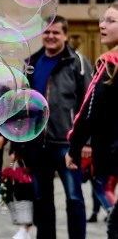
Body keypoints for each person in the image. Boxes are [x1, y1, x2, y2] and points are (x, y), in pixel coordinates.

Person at [15, 16, 92, 239]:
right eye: (47, 32)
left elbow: (88, 104)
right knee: (41, 199)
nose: (51, 36)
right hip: (37, 143)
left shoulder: (77, 62)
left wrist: (86, 142)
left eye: (56, 33)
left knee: (74, 198)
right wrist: (18, 143)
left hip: (67, 145)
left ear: (65, 35)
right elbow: (21, 104)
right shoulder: (31, 62)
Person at [67, 4, 118, 239]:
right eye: (102, 19)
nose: (101, 25)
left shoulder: (110, 63)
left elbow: (90, 111)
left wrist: (75, 147)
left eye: (110, 20)